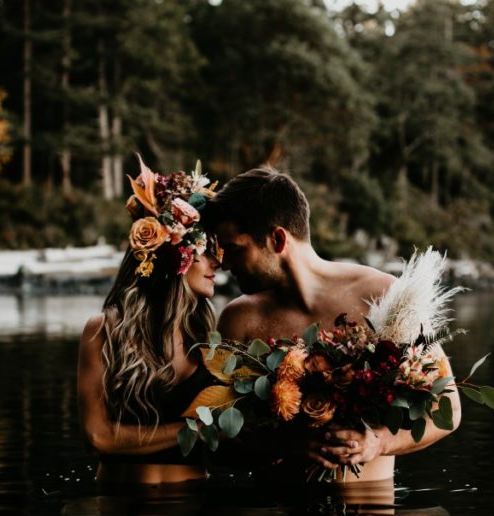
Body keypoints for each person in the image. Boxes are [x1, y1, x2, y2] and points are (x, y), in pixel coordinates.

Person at [201, 167, 461, 482]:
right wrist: (285, 443)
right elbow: (217, 430)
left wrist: (379, 442)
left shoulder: (384, 295)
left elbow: (448, 409)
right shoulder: (238, 320)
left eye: (235, 249)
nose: (225, 263)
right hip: (277, 512)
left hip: (373, 513)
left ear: (278, 239)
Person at [77, 159, 222, 485]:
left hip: (191, 510)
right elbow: (98, 436)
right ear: (179, 251)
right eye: (209, 249)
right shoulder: (103, 330)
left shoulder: (210, 337)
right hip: (117, 507)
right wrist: (192, 428)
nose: (218, 262)